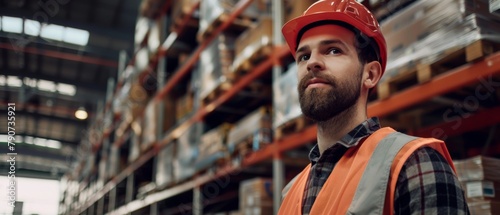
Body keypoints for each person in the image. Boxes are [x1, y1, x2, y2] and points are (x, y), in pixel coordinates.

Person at [278, 0, 470, 214]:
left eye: (333, 50)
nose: (312, 63)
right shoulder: (290, 192)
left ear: (370, 74)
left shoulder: (413, 164)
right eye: (303, 56)